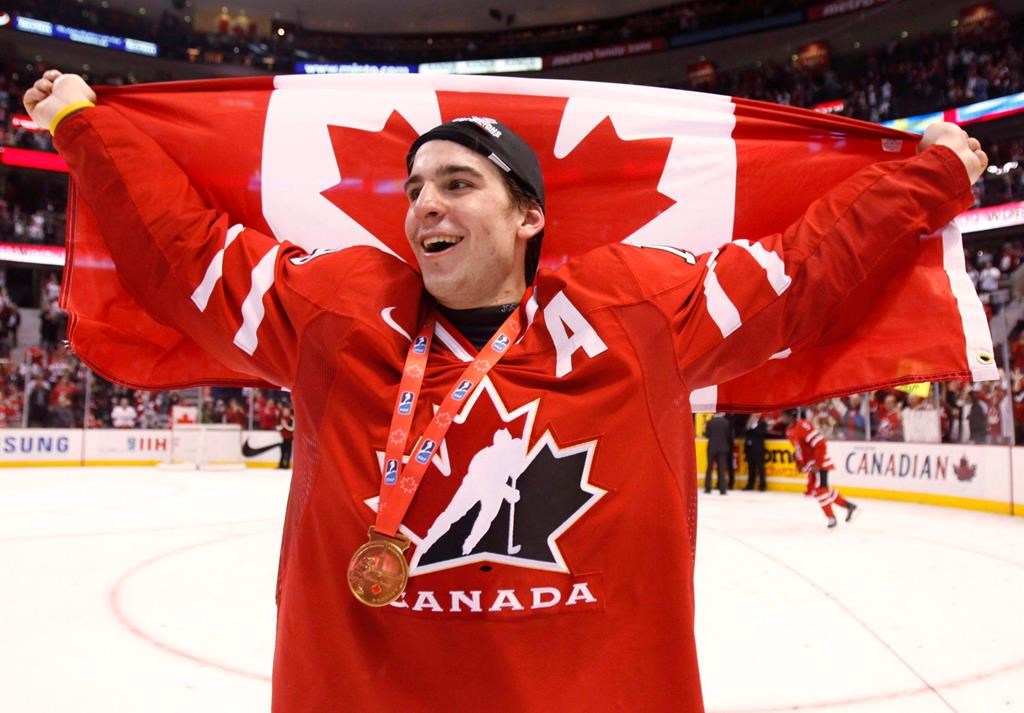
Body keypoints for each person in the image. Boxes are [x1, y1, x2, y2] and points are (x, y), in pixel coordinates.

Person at [25, 70, 987, 712]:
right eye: (412, 190)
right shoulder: (336, 316)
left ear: (529, 214)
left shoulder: (634, 313)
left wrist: (935, 172)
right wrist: (83, 124)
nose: (424, 205)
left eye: (457, 182)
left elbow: (807, 268)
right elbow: (182, 252)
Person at [781, 409, 858, 528]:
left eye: (784, 415)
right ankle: (848, 506)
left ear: (791, 416)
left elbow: (820, 443)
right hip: (812, 465)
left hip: (818, 463)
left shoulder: (803, 425)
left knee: (820, 490)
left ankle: (831, 518)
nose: (782, 418)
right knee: (823, 489)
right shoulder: (789, 431)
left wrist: (818, 463)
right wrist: (799, 463)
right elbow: (798, 450)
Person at [704, 412, 732, 494]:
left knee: (709, 468)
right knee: (722, 469)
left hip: (712, 447)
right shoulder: (726, 422)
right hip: (723, 448)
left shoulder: (710, 422)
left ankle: (708, 488)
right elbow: (729, 435)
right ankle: (722, 489)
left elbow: (707, 435)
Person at [743, 413, 767, 491]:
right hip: (750, 449)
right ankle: (750, 485)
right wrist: (749, 426)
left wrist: (755, 426)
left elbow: (762, 434)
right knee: (751, 468)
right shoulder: (749, 422)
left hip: (758, 449)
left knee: (760, 468)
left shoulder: (762, 423)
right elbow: (745, 433)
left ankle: (762, 485)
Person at [276, 405, 295, 469]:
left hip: (289, 438)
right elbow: (277, 428)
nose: (285, 412)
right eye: (285, 411)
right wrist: (282, 425)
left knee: (288, 452)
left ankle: (287, 465)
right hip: (283, 438)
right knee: (282, 452)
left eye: (287, 411)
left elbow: (292, 428)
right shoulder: (281, 419)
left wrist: (285, 425)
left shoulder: (291, 419)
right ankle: (281, 465)